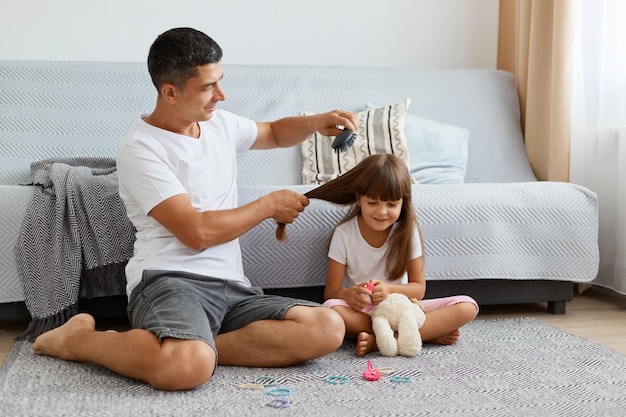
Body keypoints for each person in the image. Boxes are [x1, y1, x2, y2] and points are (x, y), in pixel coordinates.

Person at [31, 27, 359, 391]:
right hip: (169, 281)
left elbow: (274, 132)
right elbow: (196, 233)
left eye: (220, 81)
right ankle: (78, 340)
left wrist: (315, 122)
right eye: (208, 87)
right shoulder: (142, 148)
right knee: (185, 371)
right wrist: (267, 205)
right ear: (170, 92)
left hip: (232, 287)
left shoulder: (217, 122)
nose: (221, 95)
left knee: (327, 328)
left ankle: (194, 348)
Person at [309, 154, 479, 357]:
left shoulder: (408, 231)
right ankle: (421, 335)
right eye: (372, 202)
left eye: (391, 205)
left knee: (468, 306)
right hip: (366, 311)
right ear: (359, 198)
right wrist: (348, 295)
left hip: (405, 309)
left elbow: (418, 289)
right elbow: (331, 292)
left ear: (402, 203)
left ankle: (382, 341)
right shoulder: (344, 233)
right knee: (332, 310)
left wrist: (388, 290)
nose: (381, 212)